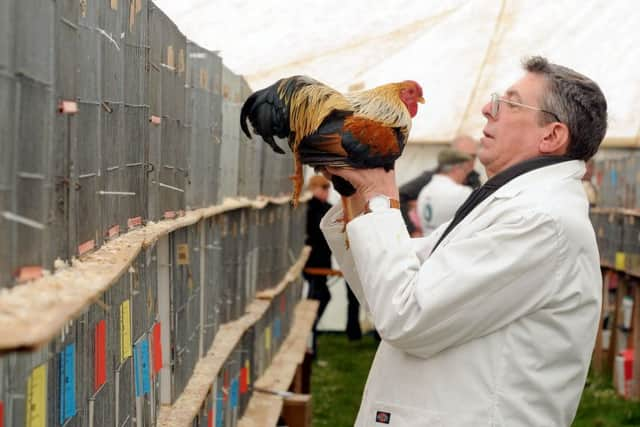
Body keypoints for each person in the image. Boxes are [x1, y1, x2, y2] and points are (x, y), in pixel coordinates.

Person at [320, 56, 607, 426]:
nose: (488, 109)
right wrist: (355, 194)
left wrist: (381, 197)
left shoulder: (540, 221)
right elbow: (387, 287)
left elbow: (407, 315)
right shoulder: (511, 205)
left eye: (510, 103)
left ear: (551, 135)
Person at [399, 135, 480, 234]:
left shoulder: (474, 180)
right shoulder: (430, 178)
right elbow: (400, 195)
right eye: (464, 156)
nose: (469, 161)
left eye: (473, 156)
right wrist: (412, 229)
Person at [303, 174, 333, 358]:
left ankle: (311, 335)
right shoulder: (310, 208)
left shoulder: (325, 208)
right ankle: (309, 338)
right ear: (314, 188)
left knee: (320, 297)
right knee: (315, 299)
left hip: (321, 261)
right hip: (313, 261)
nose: (327, 192)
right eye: (323, 188)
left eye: (328, 188)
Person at [416, 148, 473, 236]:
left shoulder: (424, 191)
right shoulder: (463, 192)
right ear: (456, 168)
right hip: (449, 246)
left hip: (427, 244)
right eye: (464, 170)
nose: (465, 175)